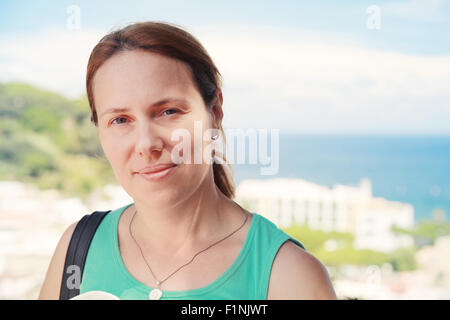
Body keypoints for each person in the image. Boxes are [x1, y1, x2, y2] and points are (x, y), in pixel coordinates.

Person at [38, 21, 337, 300]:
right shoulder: (77, 250)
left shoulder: (289, 277)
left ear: (215, 112)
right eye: (120, 120)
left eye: (168, 111)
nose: (146, 144)